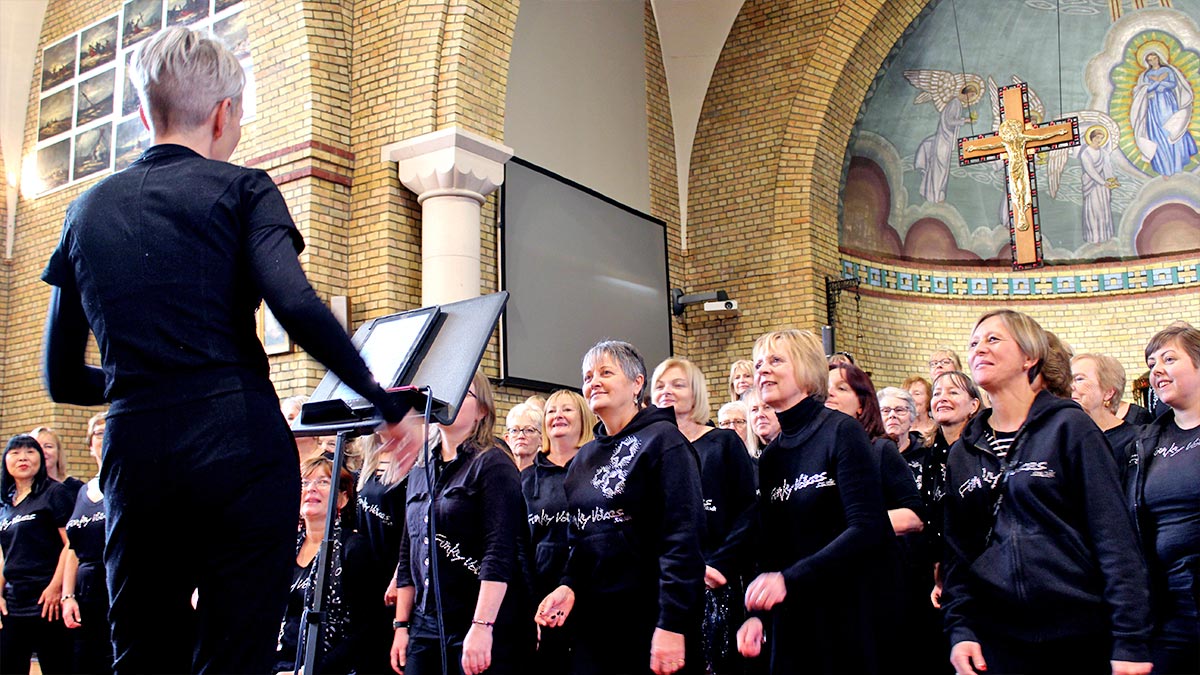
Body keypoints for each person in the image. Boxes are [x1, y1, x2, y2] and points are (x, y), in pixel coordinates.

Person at [40, 27, 418, 673]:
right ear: (225, 112)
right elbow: (295, 304)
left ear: (141, 113)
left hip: (139, 448)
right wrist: (381, 401)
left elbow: (61, 376)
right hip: (237, 440)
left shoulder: (85, 210)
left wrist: (145, 380)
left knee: (142, 649)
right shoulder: (244, 188)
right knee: (237, 650)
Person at [943, 310, 1152, 675]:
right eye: (974, 343)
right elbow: (959, 553)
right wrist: (960, 629)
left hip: (1078, 634)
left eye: (993, 339)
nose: (979, 349)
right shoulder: (964, 451)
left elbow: (1114, 538)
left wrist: (1130, 640)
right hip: (997, 639)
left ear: (1030, 356)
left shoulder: (1070, 428)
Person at [536, 341, 705, 675]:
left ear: (637, 383)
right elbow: (581, 538)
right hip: (595, 623)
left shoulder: (663, 441)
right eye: (587, 376)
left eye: (606, 373)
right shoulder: (584, 458)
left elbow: (683, 539)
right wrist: (568, 585)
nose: (593, 381)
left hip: (651, 619)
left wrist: (672, 623)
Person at [736, 329, 896, 674]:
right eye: (759, 363)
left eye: (776, 360)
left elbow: (868, 528)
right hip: (793, 618)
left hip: (846, 612)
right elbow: (772, 545)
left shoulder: (841, 431)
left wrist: (788, 579)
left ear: (808, 370)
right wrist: (756, 616)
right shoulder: (773, 454)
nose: (762, 370)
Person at [391, 371, 535, 675]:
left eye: (463, 392)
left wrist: (482, 626)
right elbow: (409, 551)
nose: (451, 399)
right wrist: (402, 625)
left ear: (482, 410)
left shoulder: (493, 463)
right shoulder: (420, 468)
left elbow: (499, 552)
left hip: (476, 617)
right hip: (424, 622)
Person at [652, 358, 757, 675]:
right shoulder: (645, 449)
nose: (667, 391)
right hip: (662, 584)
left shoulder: (723, 442)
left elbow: (748, 511)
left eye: (678, 384)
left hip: (714, 581)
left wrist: (719, 564)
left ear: (696, 392)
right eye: (660, 385)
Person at [1127, 322, 1200, 673]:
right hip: (1169, 605)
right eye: (1152, 363)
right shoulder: (1146, 442)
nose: (1157, 370)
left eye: (1169, 359)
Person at [521, 389, 595, 675]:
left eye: (567, 410)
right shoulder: (527, 479)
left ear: (583, 418)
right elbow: (520, 545)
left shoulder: (597, 471)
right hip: (540, 598)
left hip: (590, 597)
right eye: (551, 411)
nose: (557, 416)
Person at [275, 457, 372, 675]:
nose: (311, 489)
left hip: (326, 669)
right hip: (277, 664)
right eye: (305, 482)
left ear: (343, 499)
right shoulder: (285, 548)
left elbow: (364, 629)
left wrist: (310, 671)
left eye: (323, 482)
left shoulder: (353, 548)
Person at [0, 435, 74, 675]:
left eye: (30, 452)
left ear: (41, 459)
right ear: (5, 461)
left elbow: (71, 545)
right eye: (15, 452)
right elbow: (4, 553)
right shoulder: (5, 504)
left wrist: (56, 588)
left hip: (46, 601)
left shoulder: (55, 493)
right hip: (13, 603)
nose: (23, 457)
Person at [826, 363, 923, 536]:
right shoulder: (815, 452)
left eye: (841, 388)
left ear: (861, 405)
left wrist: (854, 528)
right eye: (825, 387)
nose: (829, 393)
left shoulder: (880, 450)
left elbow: (913, 516)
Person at [925, 370, 983, 611]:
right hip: (946, 574)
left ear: (974, 405)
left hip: (981, 571)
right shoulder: (930, 456)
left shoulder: (982, 450)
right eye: (937, 393)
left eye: (953, 392)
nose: (942, 397)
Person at [62, 413, 112, 675]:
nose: (105, 437)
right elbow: (73, 548)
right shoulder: (82, 491)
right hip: (85, 593)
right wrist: (68, 595)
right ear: (89, 444)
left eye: (111, 430)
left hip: (117, 588)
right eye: (99, 432)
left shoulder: (130, 483)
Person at [1132, 50, 1197, 177]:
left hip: (1168, 102)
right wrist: (1157, 83)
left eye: (1154, 58)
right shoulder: (1146, 74)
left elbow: (1173, 83)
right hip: (1153, 105)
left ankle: (1177, 166)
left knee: (1172, 129)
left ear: (1159, 58)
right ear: (1148, 62)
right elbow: (1145, 89)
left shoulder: (1169, 70)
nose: (1153, 61)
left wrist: (1160, 83)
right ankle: (1164, 169)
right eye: (1150, 60)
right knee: (1158, 134)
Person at [1072, 353, 1140, 470]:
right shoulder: (1067, 439)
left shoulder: (1135, 441)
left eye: (1079, 379)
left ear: (1108, 392)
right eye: (1066, 380)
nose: (1070, 386)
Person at [915, 85, 976, 203]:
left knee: (942, 169)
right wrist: (966, 120)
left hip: (946, 141)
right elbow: (949, 120)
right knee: (940, 168)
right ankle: (934, 197)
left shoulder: (957, 104)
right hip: (943, 140)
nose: (971, 99)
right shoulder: (955, 103)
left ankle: (937, 196)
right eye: (972, 95)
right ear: (967, 93)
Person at [1080, 127, 1118, 243]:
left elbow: (1107, 167)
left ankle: (1105, 236)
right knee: (1094, 209)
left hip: (1103, 187)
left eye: (1101, 138)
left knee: (1104, 209)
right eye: (1097, 138)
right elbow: (1090, 171)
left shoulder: (1103, 152)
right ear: (1091, 138)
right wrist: (1103, 182)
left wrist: (1111, 180)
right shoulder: (1085, 153)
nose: (1099, 140)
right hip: (1092, 186)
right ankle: (1095, 238)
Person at [29, 427, 84, 495]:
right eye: (37, 447)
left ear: (58, 451)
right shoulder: (24, 489)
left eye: (48, 446)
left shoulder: (76, 487)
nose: (42, 451)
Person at [505, 403, 543, 471]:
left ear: (541, 439)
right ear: (507, 439)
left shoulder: (546, 476)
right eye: (514, 430)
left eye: (529, 430)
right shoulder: (499, 471)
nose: (521, 436)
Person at [904, 375, 937, 440]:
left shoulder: (938, 429)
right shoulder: (900, 430)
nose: (911, 398)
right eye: (907, 394)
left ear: (929, 398)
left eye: (917, 394)